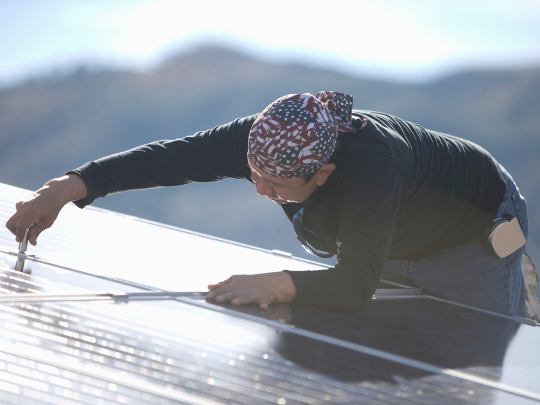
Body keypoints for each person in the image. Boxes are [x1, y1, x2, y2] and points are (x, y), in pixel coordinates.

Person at [6, 91, 537, 319]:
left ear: (323, 173)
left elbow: (354, 287)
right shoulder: (270, 135)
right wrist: (71, 186)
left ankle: (518, 279)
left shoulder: (373, 171)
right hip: (397, 227)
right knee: (398, 326)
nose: (261, 191)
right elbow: (171, 159)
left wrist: (278, 282)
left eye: (277, 184)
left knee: (483, 342)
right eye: (253, 175)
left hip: (482, 228)